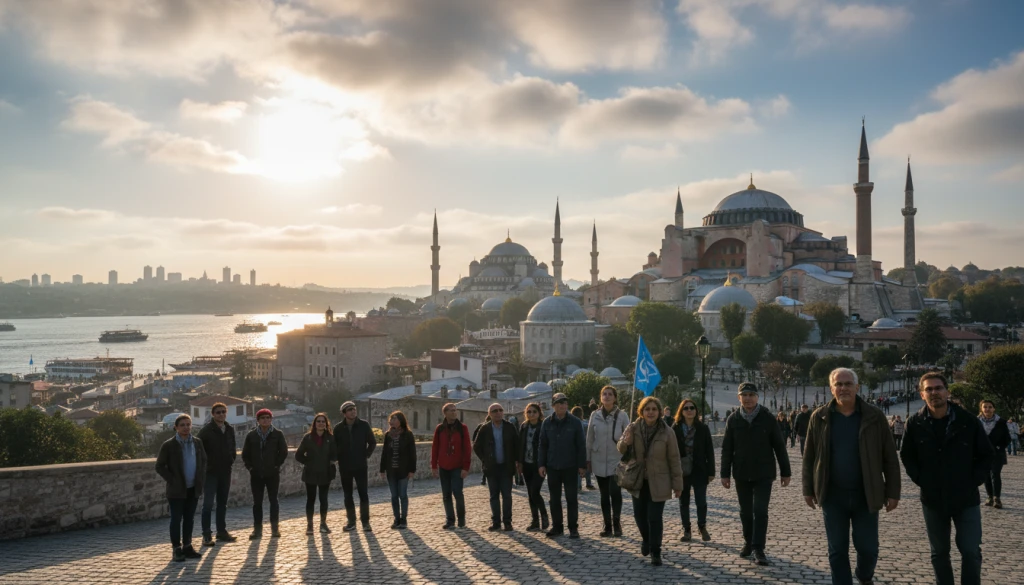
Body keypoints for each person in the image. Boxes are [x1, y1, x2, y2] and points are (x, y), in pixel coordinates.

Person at [803, 368, 901, 585]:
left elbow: (889, 458)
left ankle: (864, 575)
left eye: (848, 384)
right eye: (838, 384)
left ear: (857, 387)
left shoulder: (874, 416)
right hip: (832, 494)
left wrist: (893, 491)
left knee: (868, 548)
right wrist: (808, 489)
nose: (843, 388)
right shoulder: (819, 417)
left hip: (866, 493)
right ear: (831, 389)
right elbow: (809, 456)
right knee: (837, 549)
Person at [901, 372, 993, 585]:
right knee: (939, 552)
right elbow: (908, 457)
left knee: (970, 550)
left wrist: (973, 480)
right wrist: (922, 479)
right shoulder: (914, 423)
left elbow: (986, 455)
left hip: (966, 497)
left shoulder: (967, 421)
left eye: (938, 388)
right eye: (929, 389)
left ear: (947, 391)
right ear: (922, 394)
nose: (934, 393)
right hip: (933, 498)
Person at [721, 382, 792, 566]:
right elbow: (727, 449)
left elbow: (779, 446)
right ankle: (748, 542)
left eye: (751, 395)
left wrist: (786, 472)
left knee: (760, 511)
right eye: (744, 395)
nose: (748, 398)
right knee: (745, 512)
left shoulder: (767, 418)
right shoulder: (733, 419)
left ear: (757, 397)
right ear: (739, 398)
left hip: (763, 473)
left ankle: (758, 548)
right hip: (741, 473)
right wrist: (724, 474)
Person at [618, 396, 683, 566]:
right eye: (647, 409)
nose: (651, 412)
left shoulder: (667, 432)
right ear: (642, 411)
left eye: (654, 409)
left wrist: (678, 485)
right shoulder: (633, 427)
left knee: (654, 517)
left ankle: (656, 551)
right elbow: (620, 448)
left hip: (659, 481)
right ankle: (646, 539)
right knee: (639, 516)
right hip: (638, 480)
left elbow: (674, 460)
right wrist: (626, 441)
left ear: (659, 412)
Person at [156, 414, 207, 562]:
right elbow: (159, 466)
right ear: (176, 427)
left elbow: (203, 462)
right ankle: (176, 549)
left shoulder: (197, 443)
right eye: (182, 425)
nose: (186, 427)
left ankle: (188, 546)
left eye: (188, 424)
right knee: (176, 519)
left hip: (193, 488)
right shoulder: (169, 445)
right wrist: (172, 480)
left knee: (189, 519)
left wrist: (200, 480)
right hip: (177, 490)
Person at [538, 392, 587, 539]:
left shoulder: (575, 422)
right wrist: (541, 464)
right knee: (554, 499)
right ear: (553, 405)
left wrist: (582, 465)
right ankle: (557, 527)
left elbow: (581, 445)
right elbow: (543, 445)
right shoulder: (547, 423)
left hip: (570, 466)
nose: (562, 405)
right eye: (559, 402)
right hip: (553, 466)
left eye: (565, 402)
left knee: (571, 498)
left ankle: (573, 528)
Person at [587, 385, 630, 537]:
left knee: (615, 491)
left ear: (615, 397)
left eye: (610, 394)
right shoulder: (595, 415)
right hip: (598, 459)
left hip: (616, 460)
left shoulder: (622, 415)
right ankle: (607, 525)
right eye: (604, 394)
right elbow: (590, 438)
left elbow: (628, 439)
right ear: (601, 397)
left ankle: (617, 522)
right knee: (604, 494)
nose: (607, 396)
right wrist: (588, 459)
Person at [241, 408, 288, 539]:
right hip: (256, 474)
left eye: (268, 418)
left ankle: (274, 529)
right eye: (263, 418)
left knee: (274, 501)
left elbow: (283, 452)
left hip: (272, 473)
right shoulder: (251, 436)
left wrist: (276, 465)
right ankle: (257, 530)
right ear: (258, 420)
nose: (265, 420)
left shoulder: (278, 434)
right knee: (257, 502)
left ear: (271, 419)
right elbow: (245, 454)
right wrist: (250, 468)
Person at [673, 397, 715, 543]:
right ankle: (687, 529)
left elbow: (709, 450)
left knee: (701, 500)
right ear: (681, 411)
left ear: (696, 411)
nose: (689, 410)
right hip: (682, 470)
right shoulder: (675, 428)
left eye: (692, 408)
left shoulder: (702, 428)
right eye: (686, 408)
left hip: (699, 468)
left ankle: (702, 526)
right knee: (683, 501)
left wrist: (711, 472)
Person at [474, 403, 521, 531]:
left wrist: (517, 461)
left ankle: (507, 522)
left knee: (507, 495)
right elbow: (476, 446)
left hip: (506, 467)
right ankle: (496, 522)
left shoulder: (509, 427)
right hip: (492, 468)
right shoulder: (485, 428)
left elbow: (517, 445)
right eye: (495, 411)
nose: (498, 412)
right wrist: (485, 459)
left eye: (500, 410)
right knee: (494, 496)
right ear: (490, 414)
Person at [197, 402, 237, 547]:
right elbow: (199, 450)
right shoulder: (206, 431)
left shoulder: (229, 429)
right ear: (213, 414)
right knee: (208, 504)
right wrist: (207, 467)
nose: (221, 414)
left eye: (223, 412)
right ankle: (206, 535)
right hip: (211, 473)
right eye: (218, 412)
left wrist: (231, 459)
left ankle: (221, 531)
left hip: (225, 472)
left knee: (222, 503)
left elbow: (233, 447)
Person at [333, 401, 376, 532]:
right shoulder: (338, 428)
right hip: (345, 466)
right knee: (348, 495)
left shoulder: (364, 425)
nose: (353, 411)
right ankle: (351, 522)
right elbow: (334, 446)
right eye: (350, 410)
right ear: (344, 413)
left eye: (354, 409)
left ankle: (365, 522)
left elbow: (372, 442)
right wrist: (338, 458)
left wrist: (366, 455)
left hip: (360, 466)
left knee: (363, 494)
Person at [295, 413, 338, 535]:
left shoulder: (330, 438)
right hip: (311, 473)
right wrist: (308, 462)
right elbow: (298, 455)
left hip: (325, 472)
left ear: (326, 424)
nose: (321, 423)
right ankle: (310, 525)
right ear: (314, 424)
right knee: (311, 499)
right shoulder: (308, 438)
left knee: (323, 499)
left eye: (323, 421)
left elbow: (335, 454)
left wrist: (331, 462)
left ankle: (323, 524)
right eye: (318, 421)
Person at [430, 402, 471, 529]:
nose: (454, 412)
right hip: (444, 466)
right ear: (445, 413)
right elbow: (435, 447)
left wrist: (465, 467)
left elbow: (467, 448)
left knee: (457, 492)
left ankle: (461, 519)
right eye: (451, 410)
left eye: (455, 410)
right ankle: (450, 519)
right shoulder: (440, 428)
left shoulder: (462, 428)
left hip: (457, 466)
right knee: (446, 494)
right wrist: (434, 465)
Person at [379, 411, 416, 529]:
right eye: (391, 419)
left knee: (403, 495)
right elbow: (384, 453)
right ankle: (396, 519)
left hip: (403, 470)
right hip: (391, 471)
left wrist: (411, 470)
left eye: (394, 419)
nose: (392, 421)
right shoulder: (388, 435)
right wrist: (382, 469)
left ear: (400, 421)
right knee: (394, 496)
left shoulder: (408, 435)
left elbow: (412, 454)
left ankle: (403, 519)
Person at [519, 403, 549, 532]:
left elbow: (547, 445)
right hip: (526, 464)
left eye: (534, 412)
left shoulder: (543, 426)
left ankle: (544, 515)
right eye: (529, 412)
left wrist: (545, 463)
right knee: (530, 494)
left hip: (539, 465)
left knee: (535, 491)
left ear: (539, 413)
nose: (531, 414)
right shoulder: (524, 426)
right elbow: (520, 445)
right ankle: (535, 520)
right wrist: (519, 462)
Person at [978, 400, 1010, 509]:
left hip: (997, 453)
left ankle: (997, 498)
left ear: (994, 408)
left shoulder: (1001, 422)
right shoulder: (977, 422)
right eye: (985, 407)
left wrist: (998, 447)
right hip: (983, 454)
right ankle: (990, 496)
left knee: (995, 474)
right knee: (986, 475)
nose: (987, 409)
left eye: (990, 407)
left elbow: (1007, 439)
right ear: (981, 409)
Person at [572, 406, 595, 491]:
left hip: (575, 449)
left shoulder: (572, 424)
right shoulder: (586, 423)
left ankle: (578, 486)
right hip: (586, 447)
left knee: (577, 467)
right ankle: (588, 483)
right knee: (587, 465)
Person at [473, 416, 489, 487]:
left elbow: (474, 437)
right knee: (485, 462)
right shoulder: (482, 426)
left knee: (484, 462)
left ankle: (484, 478)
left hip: (485, 447)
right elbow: (474, 437)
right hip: (484, 447)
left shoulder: (481, 425)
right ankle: (484, 478)